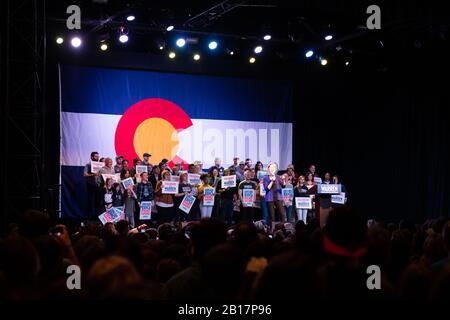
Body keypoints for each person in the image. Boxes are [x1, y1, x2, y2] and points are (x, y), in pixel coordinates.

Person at [263, 162, 286, 230]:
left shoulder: (278, 177)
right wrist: (272, 181)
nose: (272, 169)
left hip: (278, 198)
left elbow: (283, 186)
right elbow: (266, 188)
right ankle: (272, 230)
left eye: (274, 168)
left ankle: (283, 227)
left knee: (282, 214)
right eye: (271, 168)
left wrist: (284, 179)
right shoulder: (266, 178)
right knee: (272, 216)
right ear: (268, 169)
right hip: (270, 199)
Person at [83, 151, 101, 217]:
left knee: (98, 202)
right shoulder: (88, 165)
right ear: (91, 157)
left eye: (98, 156)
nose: (97, 158)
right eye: (96, 156)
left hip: (98, 185)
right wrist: (93, 174)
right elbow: (85, 174)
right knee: (90, 201)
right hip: (91, 185)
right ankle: (90, 217)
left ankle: (97, 217)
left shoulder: (100, 165)